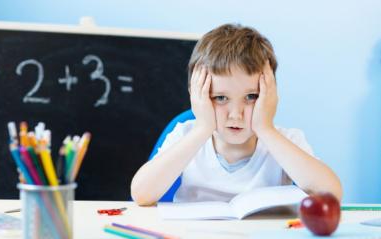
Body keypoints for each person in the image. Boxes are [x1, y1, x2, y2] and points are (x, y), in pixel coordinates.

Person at [131, 23, 342, 206]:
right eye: (220, 98)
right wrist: (203, 128)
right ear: (197, 96)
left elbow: (332, 195)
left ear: (270, 96)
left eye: (251, 96)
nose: (236, 114)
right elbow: (141, 194)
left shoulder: (285, 140)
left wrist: (266, 130)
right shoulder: (186, 133)